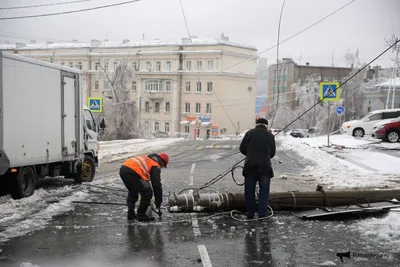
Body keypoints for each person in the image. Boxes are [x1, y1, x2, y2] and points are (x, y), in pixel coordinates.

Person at [239, 118, 276, 219]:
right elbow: (272, 153)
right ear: (266, 126)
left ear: (256, 124)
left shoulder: (249, 133)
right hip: (265, 167)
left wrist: (250, 153)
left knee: (249, 190)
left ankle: (250, 213)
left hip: (250, 166)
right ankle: (262, 214)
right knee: (264, 191)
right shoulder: (270, 136)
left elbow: (242, 148)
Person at [119, 152, 169, 222]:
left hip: (124, 169)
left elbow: (145, 179)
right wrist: (158, 202)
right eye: (163, 166)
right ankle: (141, 215)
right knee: (147, 192)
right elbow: (156, 185)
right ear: (162, 162)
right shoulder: (155, 165)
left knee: (133, 192)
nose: (161, 167)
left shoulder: (147, 159)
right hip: (133, 172)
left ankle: (131, 214)